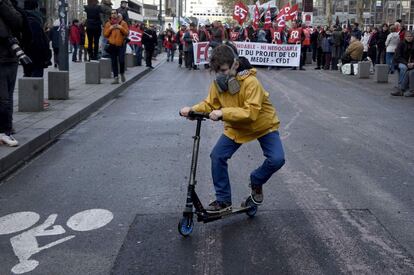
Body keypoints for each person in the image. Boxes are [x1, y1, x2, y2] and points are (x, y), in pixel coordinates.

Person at [179, 44, 285, 213]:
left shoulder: (251, 82)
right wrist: (192, 110)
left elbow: (251, 113)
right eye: (218, 71)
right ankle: (223, 201)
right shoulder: (219, 84)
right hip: (237, 127)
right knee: (217, 156)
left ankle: (256, 180)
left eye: (224, 70)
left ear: (235, 64)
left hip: (262, 125)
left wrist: (222, 112)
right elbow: (209, 104)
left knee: (277, 159)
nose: (221, 75)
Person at [0, 0, 24, 147]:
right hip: (3, 57)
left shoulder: (6, 4)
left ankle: (6, 130)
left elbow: (18, 22)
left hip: (10, 56)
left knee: (7, 97)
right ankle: (4, 131)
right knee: (3, 99)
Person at [23, 0, 51, 77]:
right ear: (36, 8)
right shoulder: (35, 20)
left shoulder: (22, 18)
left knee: (27, 75)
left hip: (25, 54)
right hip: (36, 55)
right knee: (35, 79)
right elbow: (39, 41)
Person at [103, 9, 129, 84]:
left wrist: (120, 27)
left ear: (117, 14)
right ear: (110, 15)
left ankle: (122, 73)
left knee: (121, 60)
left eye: (115, 13)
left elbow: (127, 33)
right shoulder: (108, 24)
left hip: (121, 45)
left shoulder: (123, 23)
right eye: (112, 13)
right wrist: (110, 29)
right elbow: (105, 34)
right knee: (114, 62)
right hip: (112, 45)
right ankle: (116, 77)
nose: (113, 14)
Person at [391, 31, 414, 97]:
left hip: (411, 63)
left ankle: (402, 89)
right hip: (401, 61)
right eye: (408, 36)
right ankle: (401, 87)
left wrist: (412, 63)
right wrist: (407, 63)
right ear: (405, 37)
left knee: (409, 72)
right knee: (404, 68)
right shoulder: (401, 44)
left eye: (411, 36)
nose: (409, 38)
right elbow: (397, 57)